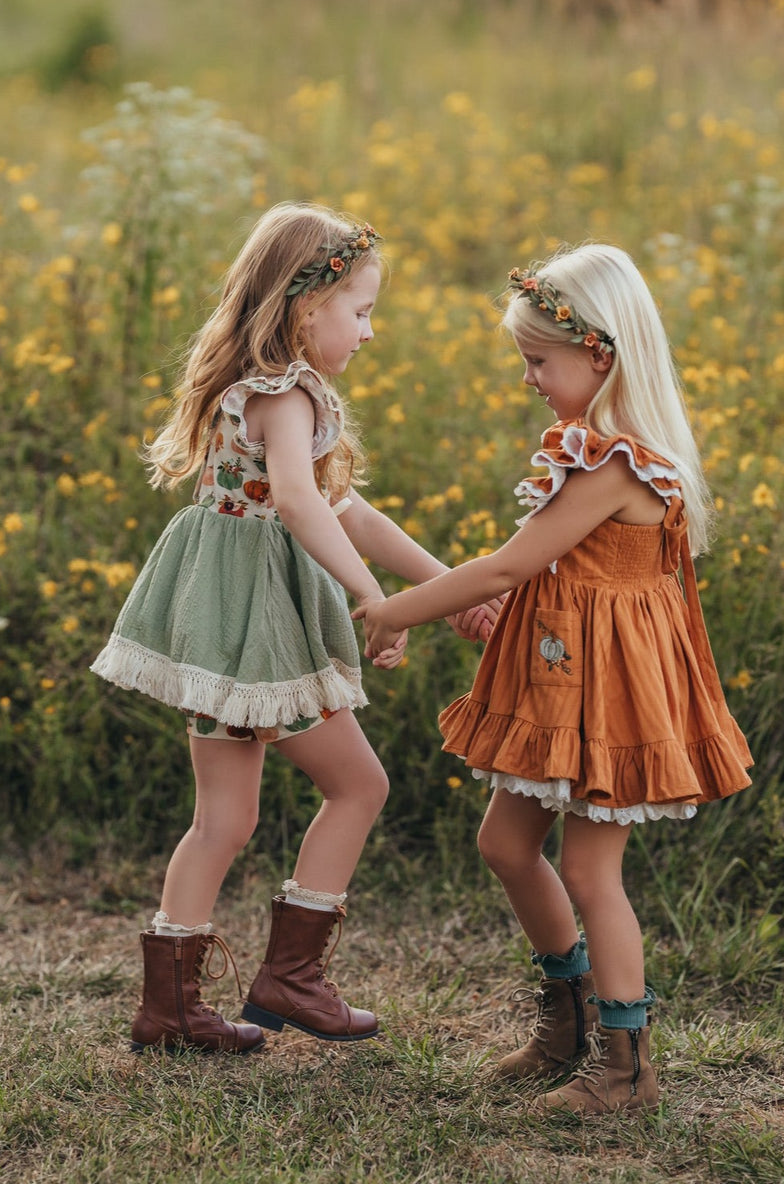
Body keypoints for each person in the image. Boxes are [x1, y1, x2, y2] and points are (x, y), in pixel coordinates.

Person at [92, 202, 498, 1054]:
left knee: (223, 821)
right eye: (362, 311)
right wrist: (373, 600)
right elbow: (309, 506)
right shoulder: (285, 396)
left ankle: (169, 1010)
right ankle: (291, 978)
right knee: (359, 787)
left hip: (220, 629)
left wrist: (443, 586)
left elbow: (348, 510)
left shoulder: (255, 389)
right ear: (306, 305)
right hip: (256, 635)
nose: (369, 331)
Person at [356, 244, 753, 1114]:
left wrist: (396, 610)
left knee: (590, 871)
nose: (530, 378)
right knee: (504, 845)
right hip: (562, 682)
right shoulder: (593, 451)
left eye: (540, 360)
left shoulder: (620, 464)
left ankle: (627, 1066)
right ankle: (567, 1017)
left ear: (599, 355)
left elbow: (507, 568)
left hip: (609, 700)